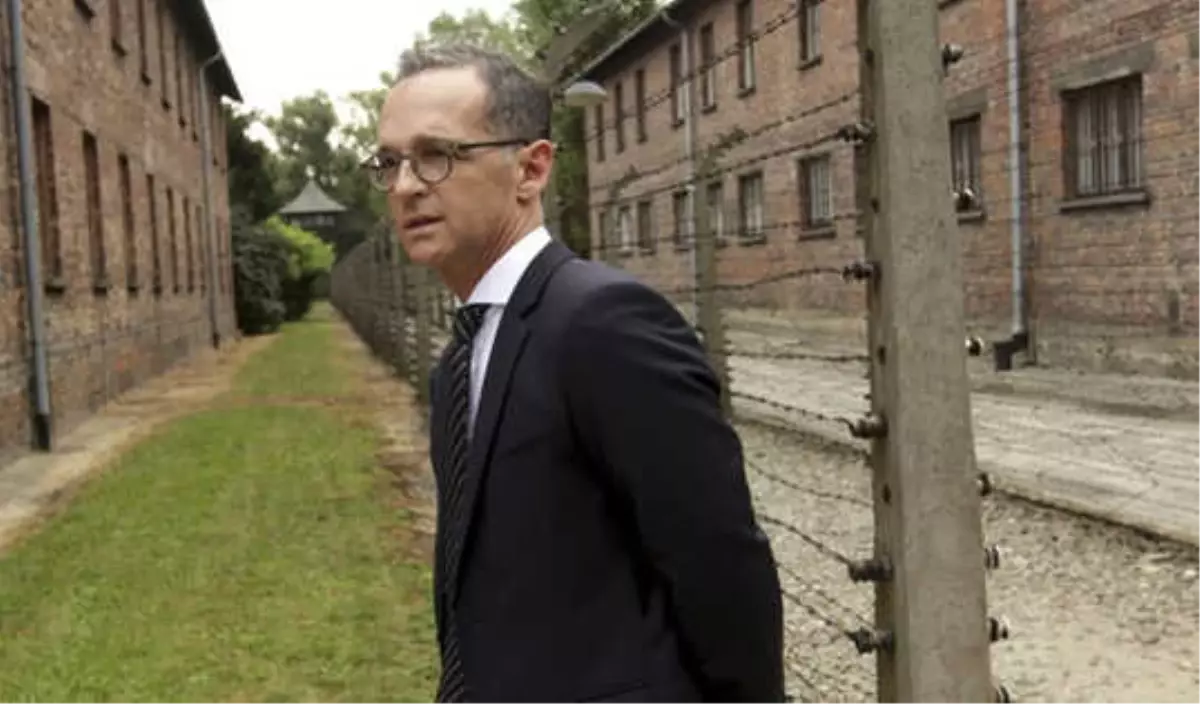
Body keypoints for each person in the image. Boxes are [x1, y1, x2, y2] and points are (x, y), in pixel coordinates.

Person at [367, 42, 784, 704]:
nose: (406, 185)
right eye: (389, 162)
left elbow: (719, 563)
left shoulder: (602, 322)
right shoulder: (460, 358)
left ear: (531, 169)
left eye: (437, 154)